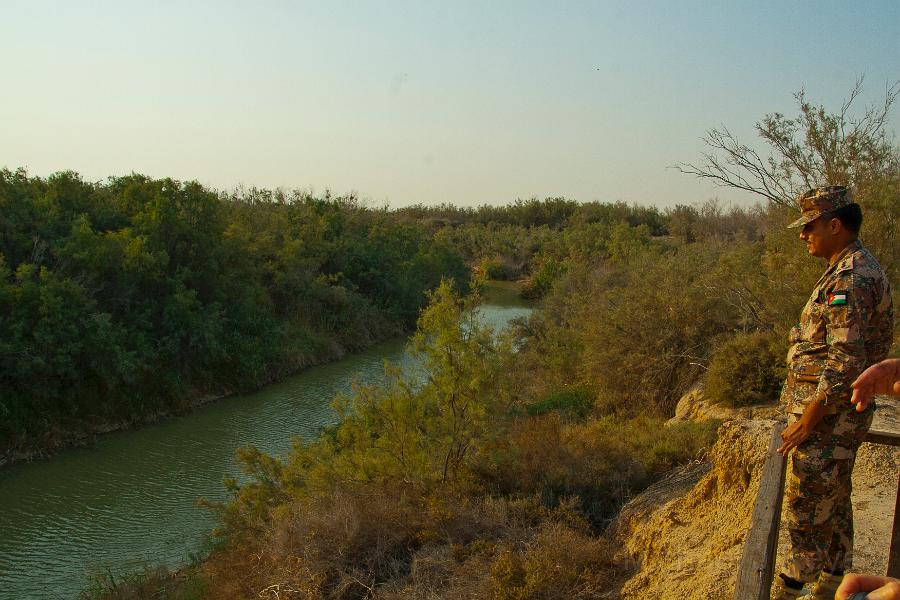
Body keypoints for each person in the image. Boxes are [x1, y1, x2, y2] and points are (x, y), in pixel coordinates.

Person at [770, 186, 894, 600]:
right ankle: (833, 582)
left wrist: (811, 416)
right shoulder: (848, 270)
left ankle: (794, 588)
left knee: (808, 504)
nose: (804, 234)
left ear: (835, 225)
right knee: (834, 500)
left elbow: (845, 359)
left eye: (810, 225)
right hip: (834, 416)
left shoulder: (852, 277)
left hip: (829, 419)